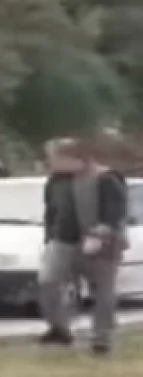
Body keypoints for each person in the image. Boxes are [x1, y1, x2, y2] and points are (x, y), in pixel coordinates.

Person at [38, 138, 129, 356]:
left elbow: (115, 212)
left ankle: (102, 339)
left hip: (100, 242)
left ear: (74, 158)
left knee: (102, 291)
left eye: (55, 158)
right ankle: (59, 328)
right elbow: (51, 210)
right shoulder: (56, 180)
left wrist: (100, 233)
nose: (50, 163)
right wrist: (49, 236)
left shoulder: (105, 178)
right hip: (62, 240)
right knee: (49, 281)